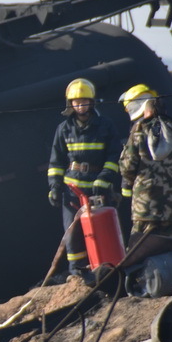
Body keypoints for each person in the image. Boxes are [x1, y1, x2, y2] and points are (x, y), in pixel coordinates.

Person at [47, 78, 122, 279]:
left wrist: (104, 179)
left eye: (84, 101)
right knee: (73, 234)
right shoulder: (63, 128)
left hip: (98, 189)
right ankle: (77, 274)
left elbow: (114, 156)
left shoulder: (105, 126)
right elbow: (56, 162)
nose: (80, 106)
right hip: (72, 190)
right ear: (70, 104)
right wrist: (55, 187)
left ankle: (106, 271)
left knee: (101, 231)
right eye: (76, 102)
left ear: (91, 102)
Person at [118, 84, 172, 239]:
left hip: (145, 207)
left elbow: (127, 167)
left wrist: (132, 184)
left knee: (140, 249)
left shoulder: (138, 133)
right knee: (170, 249)